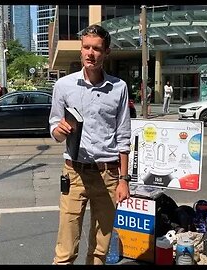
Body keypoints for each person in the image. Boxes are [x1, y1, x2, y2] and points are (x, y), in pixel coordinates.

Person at [48, 24, 131, 265]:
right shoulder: (64, 86)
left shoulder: (119, 88)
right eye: (86, 47)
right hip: (74, 173)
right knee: (65, 248)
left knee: (99, 250)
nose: (90, 53)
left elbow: (123, 135)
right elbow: (55, 126)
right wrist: (59, 130)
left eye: (96, 48)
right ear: (80, 49)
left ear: (106, 52)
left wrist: (124, 180)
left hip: (108, 175)